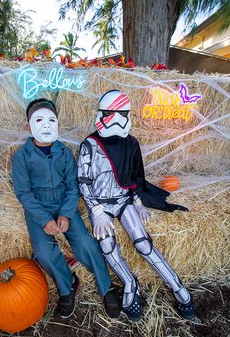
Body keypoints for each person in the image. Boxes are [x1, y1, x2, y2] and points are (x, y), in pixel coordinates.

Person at [77, 90, 195, 322]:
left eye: (124, 113)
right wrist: (98, 212)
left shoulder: (131, 143)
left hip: (123, 200)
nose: (119, 119)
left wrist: (139, 201)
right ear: (102, 114)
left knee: (143, 243)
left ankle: (177, 286)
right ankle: (130, 282)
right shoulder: (89, 145)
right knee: (107, 245)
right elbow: (83, 181)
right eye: (113, 113)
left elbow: (134, 177)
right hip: (100, 205)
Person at [12, 98, 120, 319]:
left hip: (64, 203)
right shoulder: (22, 157)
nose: (46, 125)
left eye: (51, 120)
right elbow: (24, 193)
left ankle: (106, 286)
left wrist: (66, 213)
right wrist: (43, 219)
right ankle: (67, 285)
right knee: (43, 252)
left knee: (87, 243)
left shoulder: (65, 153)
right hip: (38, 208)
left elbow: (73, 186)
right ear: (28, 126)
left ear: (58, 124)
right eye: (39, 120)